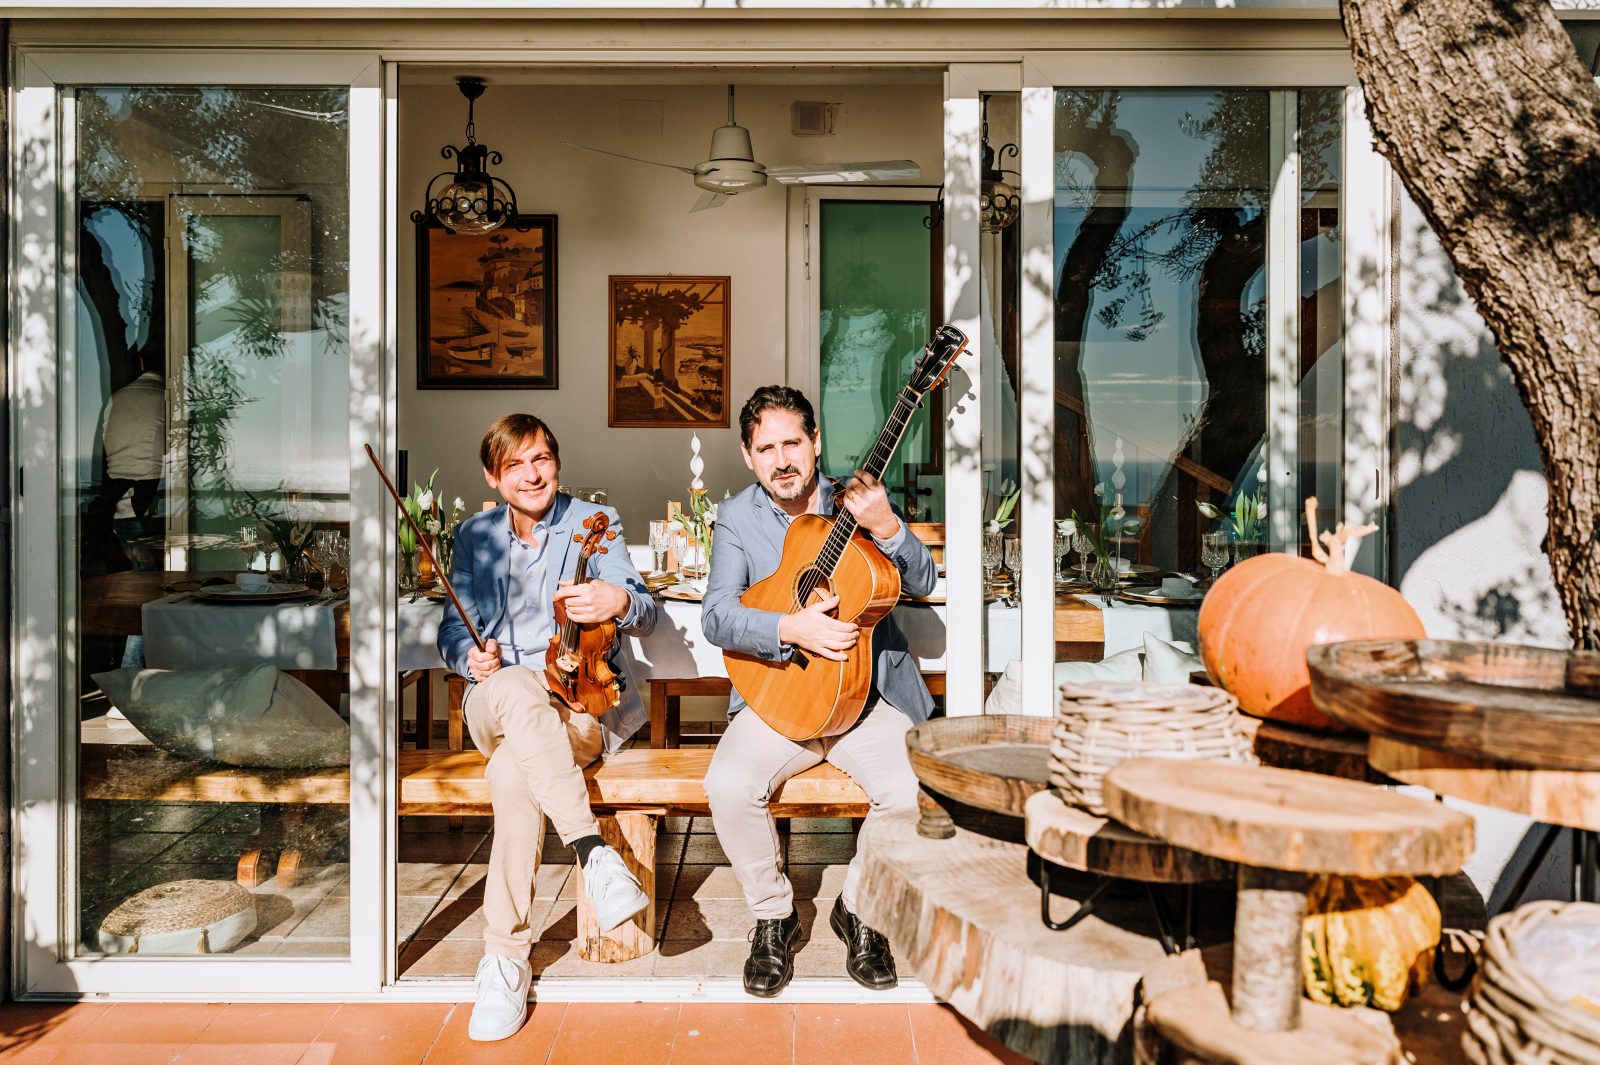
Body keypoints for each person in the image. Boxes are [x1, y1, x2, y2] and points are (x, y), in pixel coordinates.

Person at [700, 385, 935, 998]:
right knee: (728, 785)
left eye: (793, 443)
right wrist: (788, 626)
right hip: (782, 694)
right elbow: (718, 616)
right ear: (748, 456)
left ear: (816, 444)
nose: (782, 460)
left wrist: (886, 525)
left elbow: (923, 578)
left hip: (865, 695)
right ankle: (774, 915)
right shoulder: (735, 517)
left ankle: (859, 909)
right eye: (766, 447)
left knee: (911, 789)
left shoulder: (857, 501)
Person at [437, 412, 658, 1041]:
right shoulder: (473, 536)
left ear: (556, 463)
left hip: (576, 709)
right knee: (507, 683)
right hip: (496, 703)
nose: (531, 474)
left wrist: (617, 601)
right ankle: (592, 853)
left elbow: (641, 606)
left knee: (512, 772)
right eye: (515, 465)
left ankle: (504, 960)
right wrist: (467, 656)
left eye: (541, 459)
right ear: (493, 476)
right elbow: (452, 630)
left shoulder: (595, 524)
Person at [86, 352, 166, 574]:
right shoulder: (165, 398)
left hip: (116, 491)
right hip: (147, 489)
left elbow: (105, 438)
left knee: (132, 564)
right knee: (148, 570)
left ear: (141, 365)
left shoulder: (117, 397)